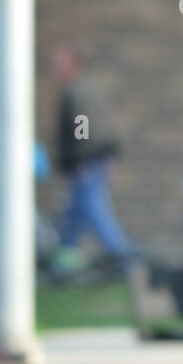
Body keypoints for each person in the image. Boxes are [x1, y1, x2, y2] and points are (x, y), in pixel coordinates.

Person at [51, 43, 132, 273]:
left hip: (86, 165)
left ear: (73, 64)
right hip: (92, 161)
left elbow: (83, 128)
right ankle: (64, 258)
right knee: (74, 214)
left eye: (60, 63)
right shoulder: (88, 89)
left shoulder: (77, 92)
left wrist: (81, 158)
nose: (56, 69)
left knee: (95, 211)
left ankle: (122, 256)